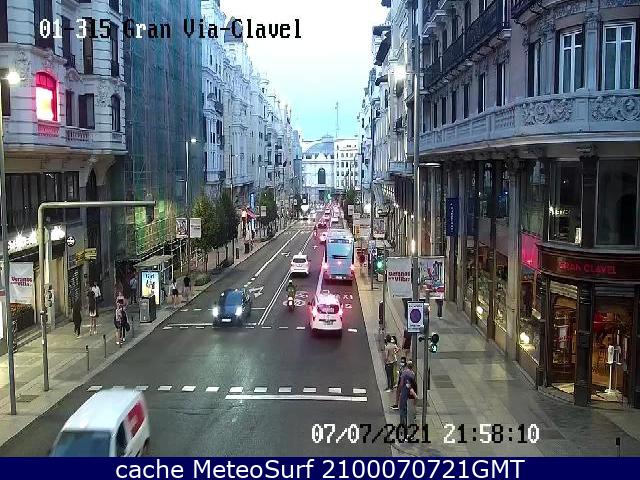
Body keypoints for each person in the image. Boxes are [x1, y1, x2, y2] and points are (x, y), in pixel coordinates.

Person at [398, 360, 417, 426]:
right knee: (407, 407)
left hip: (404, 391)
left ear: (407, 366)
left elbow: (401, 383)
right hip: (409, 393)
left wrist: (399, 390)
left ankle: (402, 422)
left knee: (402, 407)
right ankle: (407, 421)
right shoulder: (413, 374)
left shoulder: (404, 372)